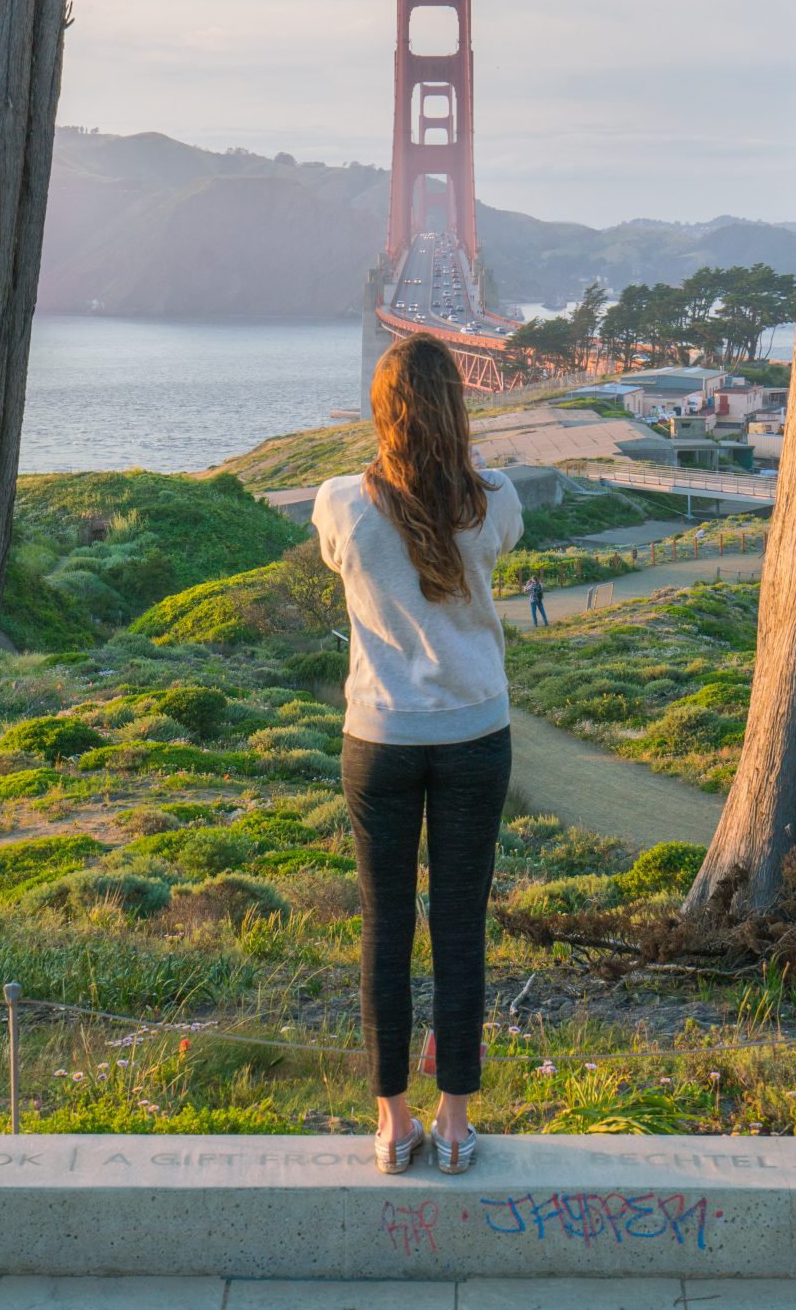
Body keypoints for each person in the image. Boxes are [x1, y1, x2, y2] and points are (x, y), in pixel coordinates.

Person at [313, 335, 522, 1176]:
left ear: (382, 410)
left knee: (386, 931)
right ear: (457, 407)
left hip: (381, 739)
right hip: (476, 734)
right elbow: (486, 547)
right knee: (460, 930)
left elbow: (350, 560)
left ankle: (391, 1124)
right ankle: (456, 1123)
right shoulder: (495, 499)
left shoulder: (338, 503)